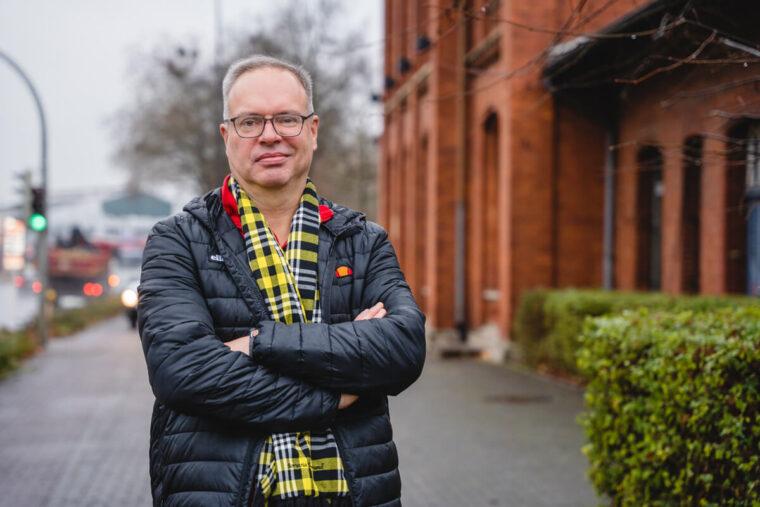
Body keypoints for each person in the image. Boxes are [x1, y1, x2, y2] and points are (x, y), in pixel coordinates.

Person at [138, 54, 426, 507]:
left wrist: (257, 344)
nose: (270, 135)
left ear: (312, 130)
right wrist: (337, 393)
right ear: (226, 135)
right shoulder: (176, 241)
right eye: (250, 121)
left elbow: (403, 350)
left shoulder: (363, 241)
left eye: (287, 119)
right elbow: (184, 372)